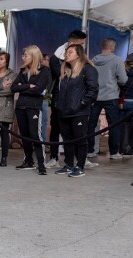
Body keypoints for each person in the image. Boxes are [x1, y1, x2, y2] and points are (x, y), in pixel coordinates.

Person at [53, 44, 99, 178]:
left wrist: (81, 104)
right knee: (67, 140)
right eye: (66, 52)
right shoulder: (65, 71)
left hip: (79, 112)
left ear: (78, 54)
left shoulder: (88, 69)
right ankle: (68, 165)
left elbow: (93, 91)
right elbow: (58, 90)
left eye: (70, 52)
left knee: (80, 140)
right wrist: (57, 104)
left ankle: (80, 166)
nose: (66, 54)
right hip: (63, 112)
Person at [47, 30, 86, 168]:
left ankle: (79, 159)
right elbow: (61, 74)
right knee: (57, 128)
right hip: (59, 98)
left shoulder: (83, 59)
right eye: (80, 44)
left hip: (76, 99)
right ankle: (53, 157)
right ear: (72, 43)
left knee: (76, 131)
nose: (82, 47)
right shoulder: (55, 58)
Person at [11, 45, 50, 175]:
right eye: (23, 55)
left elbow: (39, 90)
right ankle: (28, 161)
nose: (23, 58)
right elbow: (14, 88)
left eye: (25, 55)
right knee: (25, 136)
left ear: (34, 56)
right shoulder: (22, 71)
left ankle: (41, 164)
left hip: (34, 107)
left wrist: (23, 87)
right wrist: (28, 85)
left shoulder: (44, 70)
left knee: (35, 136)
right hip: (20, 107)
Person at [90, 37, 128, 159]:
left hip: (94, 97)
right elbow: (123, 80)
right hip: (111, 96)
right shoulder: (117, 60)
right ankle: (113, 152)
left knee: (91, 125)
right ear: (112, 47)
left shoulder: (93, 60)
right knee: (113, 125)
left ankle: (90, 150)